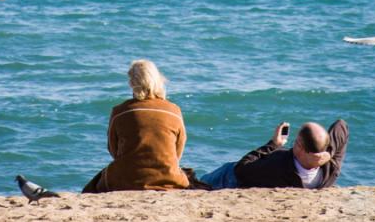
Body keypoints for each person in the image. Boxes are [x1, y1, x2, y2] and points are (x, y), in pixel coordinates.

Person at [82, 59, 190, 192]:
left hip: (126, 179)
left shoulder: (120, 112)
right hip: (169, 178)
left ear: (132, 83)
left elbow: (112, 149)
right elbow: (178, 150)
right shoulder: (174, 111)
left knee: (92, 187)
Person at [201, 119, 349, 190]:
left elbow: (241, 168)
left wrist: (273, 144)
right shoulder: (331, 170)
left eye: (296, 142)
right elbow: (341, 125)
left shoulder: (279, 164)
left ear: (301, 149)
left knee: (201, 183)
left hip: (231, 178)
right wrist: (328, 154)